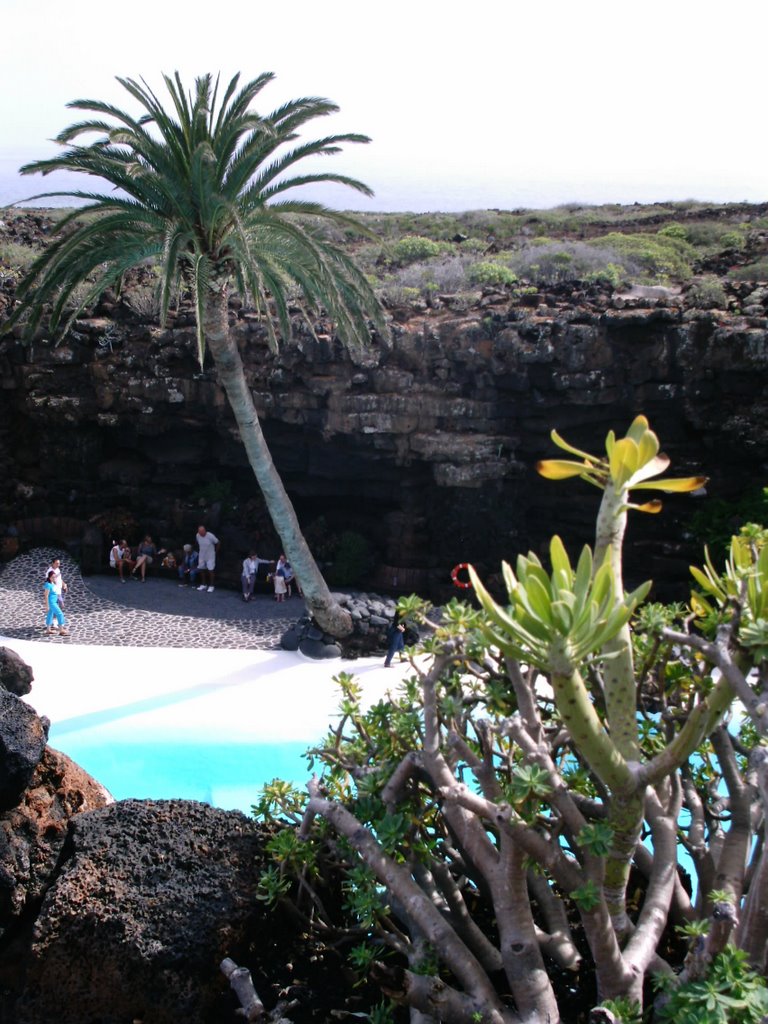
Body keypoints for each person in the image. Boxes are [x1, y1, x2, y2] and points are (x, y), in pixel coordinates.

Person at [44, 569, 69, 636]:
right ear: (49, 577)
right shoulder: (48, 585)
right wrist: (47, 606)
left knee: (50, 615)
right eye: (52, 577)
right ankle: (61, 630)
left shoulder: (53, 584)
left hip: (54, 601)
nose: (54, 578)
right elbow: (46, 595)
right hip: (52, 602)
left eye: (55, 577)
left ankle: (48, 630)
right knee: (59, 614)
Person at [195, 525, 220, 593]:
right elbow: (198, 543)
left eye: (202, 532)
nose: (201, 534)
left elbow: (218, 543)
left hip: (210, 556)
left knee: (210, 570)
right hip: (202, 555)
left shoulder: (210, 536)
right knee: (201, 569)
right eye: (199, 532)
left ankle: (211, 586)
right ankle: (203, 584)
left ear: (204, 531)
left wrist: (215, 552)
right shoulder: (197, 535)